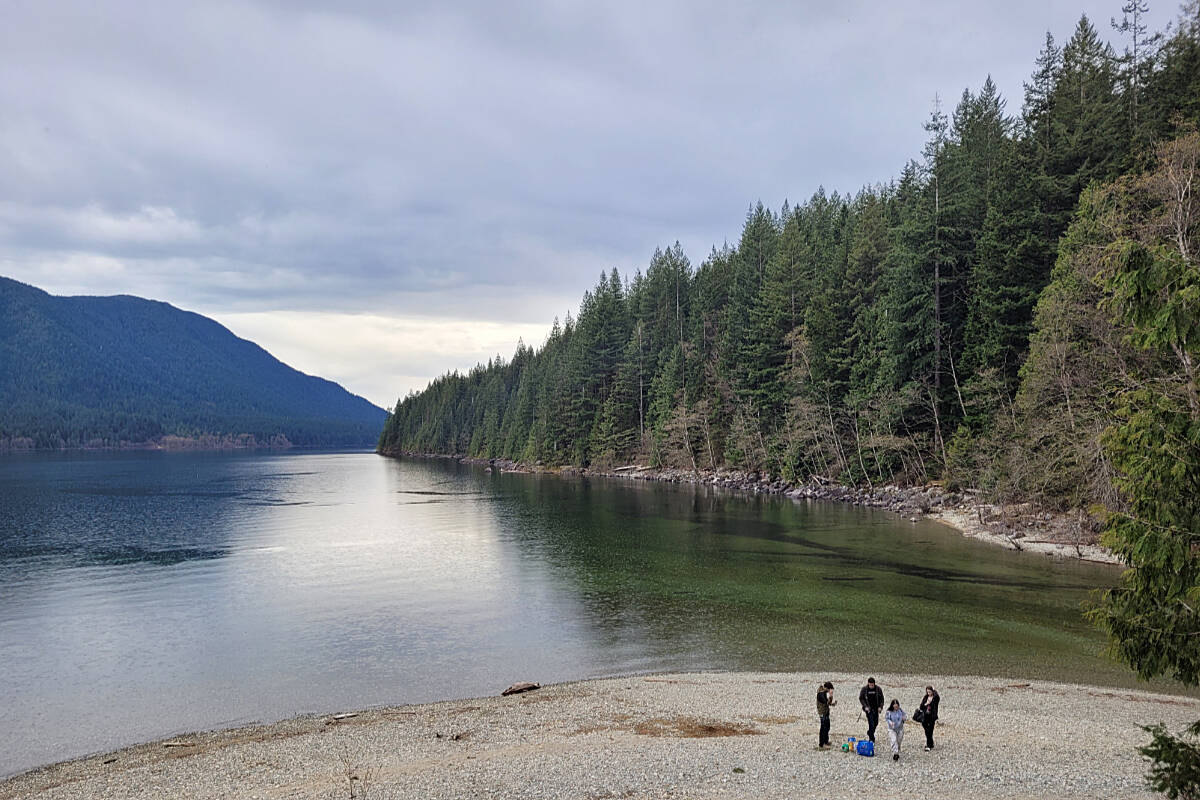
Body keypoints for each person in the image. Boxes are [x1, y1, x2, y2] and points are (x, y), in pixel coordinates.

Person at [858, 677, 885, 743]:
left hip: (876, 709)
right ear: (868, 684)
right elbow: (861, 698)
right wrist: (865, 706)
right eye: (870, 685)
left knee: (876, 723)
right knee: (871, 723)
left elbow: (882, 699)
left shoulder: (878, 689)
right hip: (868, 709)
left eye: (872, 685)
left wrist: (880, 707)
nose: (871, 686)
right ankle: (871, 738)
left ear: (874, 684)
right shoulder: (864, 689)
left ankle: (870, 732)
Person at [917, 685, 940, 750]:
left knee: (930, 730)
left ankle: (929, 745)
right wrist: (926, 704)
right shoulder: (925, 697)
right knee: (926, 729)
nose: (928, 693)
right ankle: (930, 743)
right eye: (927, 692)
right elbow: (921, 706)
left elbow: (937, 698)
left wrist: (934, 693)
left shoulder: (935, 698)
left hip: (932, 716)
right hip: (925, 715)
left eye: (930, 692)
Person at [816, 681, 836, 749]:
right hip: (822, 712)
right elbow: (825, 701)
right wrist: (830, 696)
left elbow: (828, 703)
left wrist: (831, 700)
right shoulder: (820, 694)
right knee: (823, 727)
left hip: (826, 712)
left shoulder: (824, 693)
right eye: (830, 690)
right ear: (827, 688)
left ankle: (826, 741)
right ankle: (822, 744)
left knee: (827, 726)